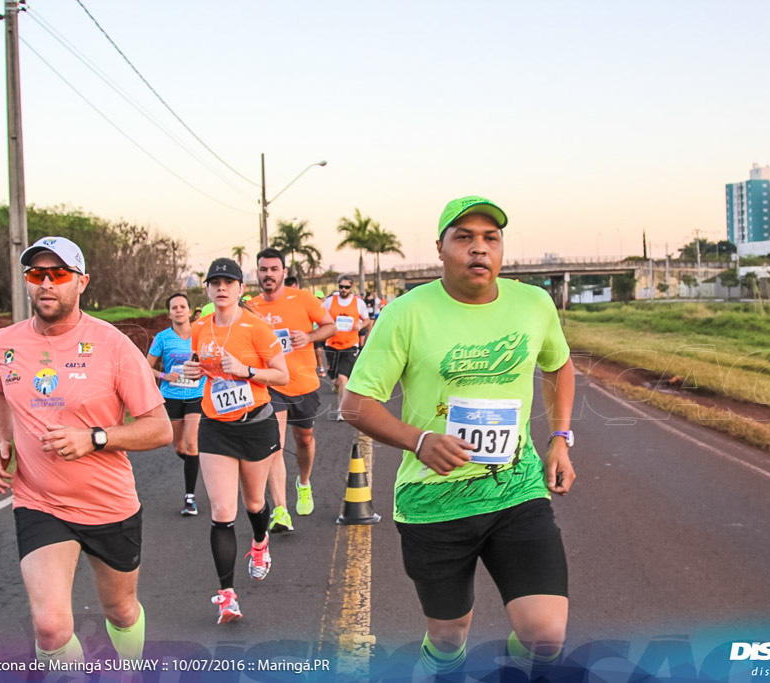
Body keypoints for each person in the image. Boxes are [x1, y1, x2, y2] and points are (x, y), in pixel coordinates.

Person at [340, 196, 577, 678]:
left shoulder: (533, 303)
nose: (479, 249)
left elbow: (558, 363)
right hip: (434, 501)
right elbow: (355, 404)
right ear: (441, 249)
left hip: (516, 489)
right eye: (464, 237)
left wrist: (559, 438)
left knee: (546, 637)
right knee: (450, 639)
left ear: (502, 249)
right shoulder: (406, 313)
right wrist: (420, 440)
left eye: (491, 238)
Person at [0, 236, 172, 666]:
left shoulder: (114, 346)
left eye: (59, 274)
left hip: (108, 504)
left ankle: (129, 671)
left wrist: (94, 438)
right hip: (39, 501)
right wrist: (2, 438)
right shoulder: (4, 342)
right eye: (36, 274)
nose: (46, 284)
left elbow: (160, 429)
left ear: (81, 282)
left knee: (121, 611)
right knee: (51, 628)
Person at [182, 258, 289, 624]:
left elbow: (283, 375)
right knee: (223, 512)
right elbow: (198, 363)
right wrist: (193, 369)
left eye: (229, 282)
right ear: (208, 291)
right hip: (216, 427)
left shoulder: (257, 328)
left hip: (256, 425)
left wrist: (247, 371)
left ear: (241, 289)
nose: (222, 288)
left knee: (255, 502)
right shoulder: (199, 328)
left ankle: (260, 544)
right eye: (215, 283)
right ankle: (227, 596)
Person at [247, 248, 336, 532]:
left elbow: (330, 326)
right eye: (263, 269)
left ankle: (304, 482)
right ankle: (281, 511)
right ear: (257, 273)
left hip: (304, 383)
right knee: (276, 444)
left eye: (274, 269)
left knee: (305, 440)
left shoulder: (304, 299)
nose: (268, 274)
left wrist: (308, 336)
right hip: (271, 386)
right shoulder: (250, 307)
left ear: (284, 272)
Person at [147, 292, 206, 516]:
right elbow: (146, 367)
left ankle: (189, 498)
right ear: (169, 313)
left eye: (183, 306)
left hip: (196, 395)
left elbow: (211, 360)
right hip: (171, 396)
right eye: (174, 307)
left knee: (191, 443)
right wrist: (163, 375)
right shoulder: (162, 338)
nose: (179, 310)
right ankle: (196, 463)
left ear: (190, 311)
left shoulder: (200, 334)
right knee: (180, 447)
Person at [323, 275, 369, 404]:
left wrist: (361, 325)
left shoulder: (359, 303)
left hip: (350, 344)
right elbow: (322, 317)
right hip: (332, 343)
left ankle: (341, 410)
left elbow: (367, 319)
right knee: (335, 379)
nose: (343, 289)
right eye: (341, 287)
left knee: (343, 378)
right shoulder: (330, 301)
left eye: (346, 287)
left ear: (351, 287)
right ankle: (336, 385)